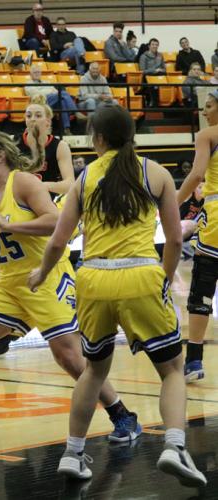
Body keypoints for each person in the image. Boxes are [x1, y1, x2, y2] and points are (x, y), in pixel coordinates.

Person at [28, 104, 206, 487]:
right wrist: (165, 277)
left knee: (93, 370)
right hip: (140, 273)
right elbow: (174, 238)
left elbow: (60, 239)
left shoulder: (85, 175)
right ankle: (174, 446)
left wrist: (42, 271)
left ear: (100, 139)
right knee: (172, 369)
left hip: (92, 278)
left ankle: (73, 454)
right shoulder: (153, 171)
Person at [0, 130, 142, 444]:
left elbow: (55, 221)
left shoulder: (25, 183)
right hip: (10, 286)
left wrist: (10, 225)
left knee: (68, 356)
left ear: (0, 155)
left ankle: (122, 414)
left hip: (46, 277)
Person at [177, 89, 218, 383]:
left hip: (217, 217)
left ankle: (194, 361)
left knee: (203, 285)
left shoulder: (207, 136)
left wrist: (172, 202)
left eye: (208, 106)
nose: (204, 112)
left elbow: (195, 175)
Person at [24, 64, 81, 135]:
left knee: (62, 101)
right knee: (62, 93)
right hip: (40, 102)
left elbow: (55, 91)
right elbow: (36, 94)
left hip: (51, 100)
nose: (37, 74)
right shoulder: (28, 84)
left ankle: (66, 129)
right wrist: (49, 91)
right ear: (31, 74)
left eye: (38, 72)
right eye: (35, 72)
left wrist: (49, 92)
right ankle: (75, 112)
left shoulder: (46, 82)